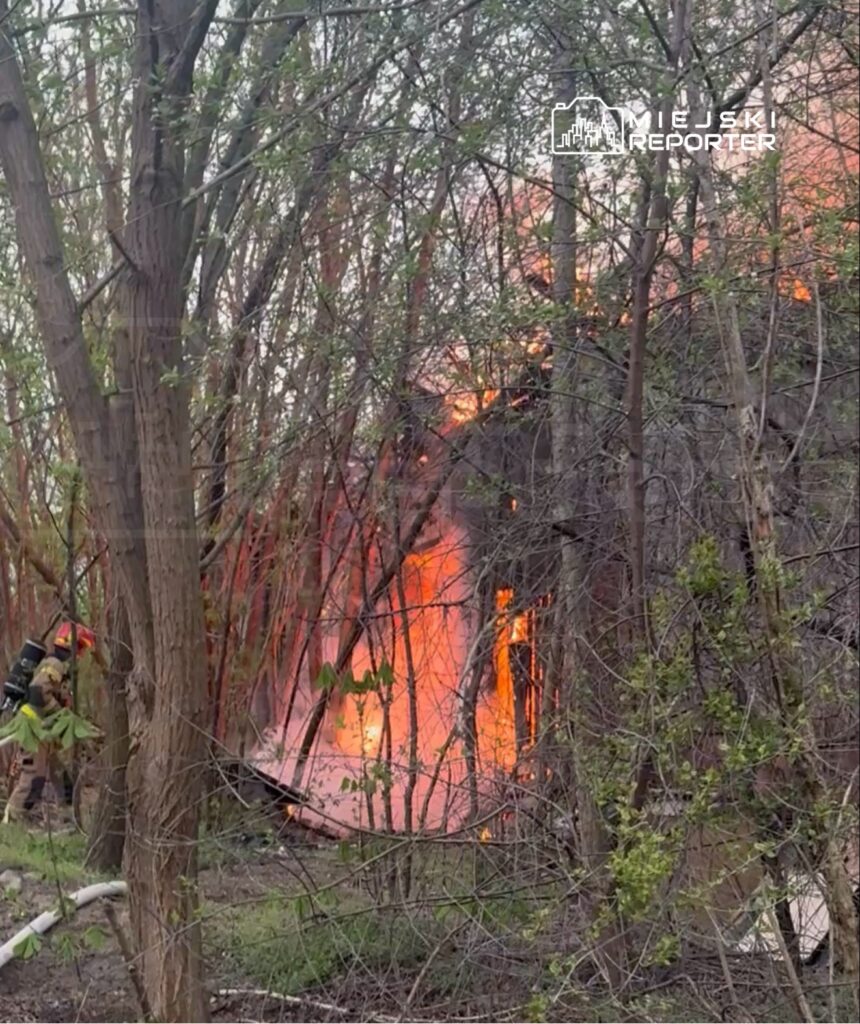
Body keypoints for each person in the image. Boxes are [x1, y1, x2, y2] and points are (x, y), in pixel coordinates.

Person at [3, 622, 95, 825]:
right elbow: (37, 690)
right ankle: (12, 826)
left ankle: (67, 819)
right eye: (81, 648)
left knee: (61, 776)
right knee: (33, 780)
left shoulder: (57, 666)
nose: (80, 654)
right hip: (34, 730)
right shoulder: (54, 664)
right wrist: (60, 714)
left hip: (44, 732)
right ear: (73, 646)